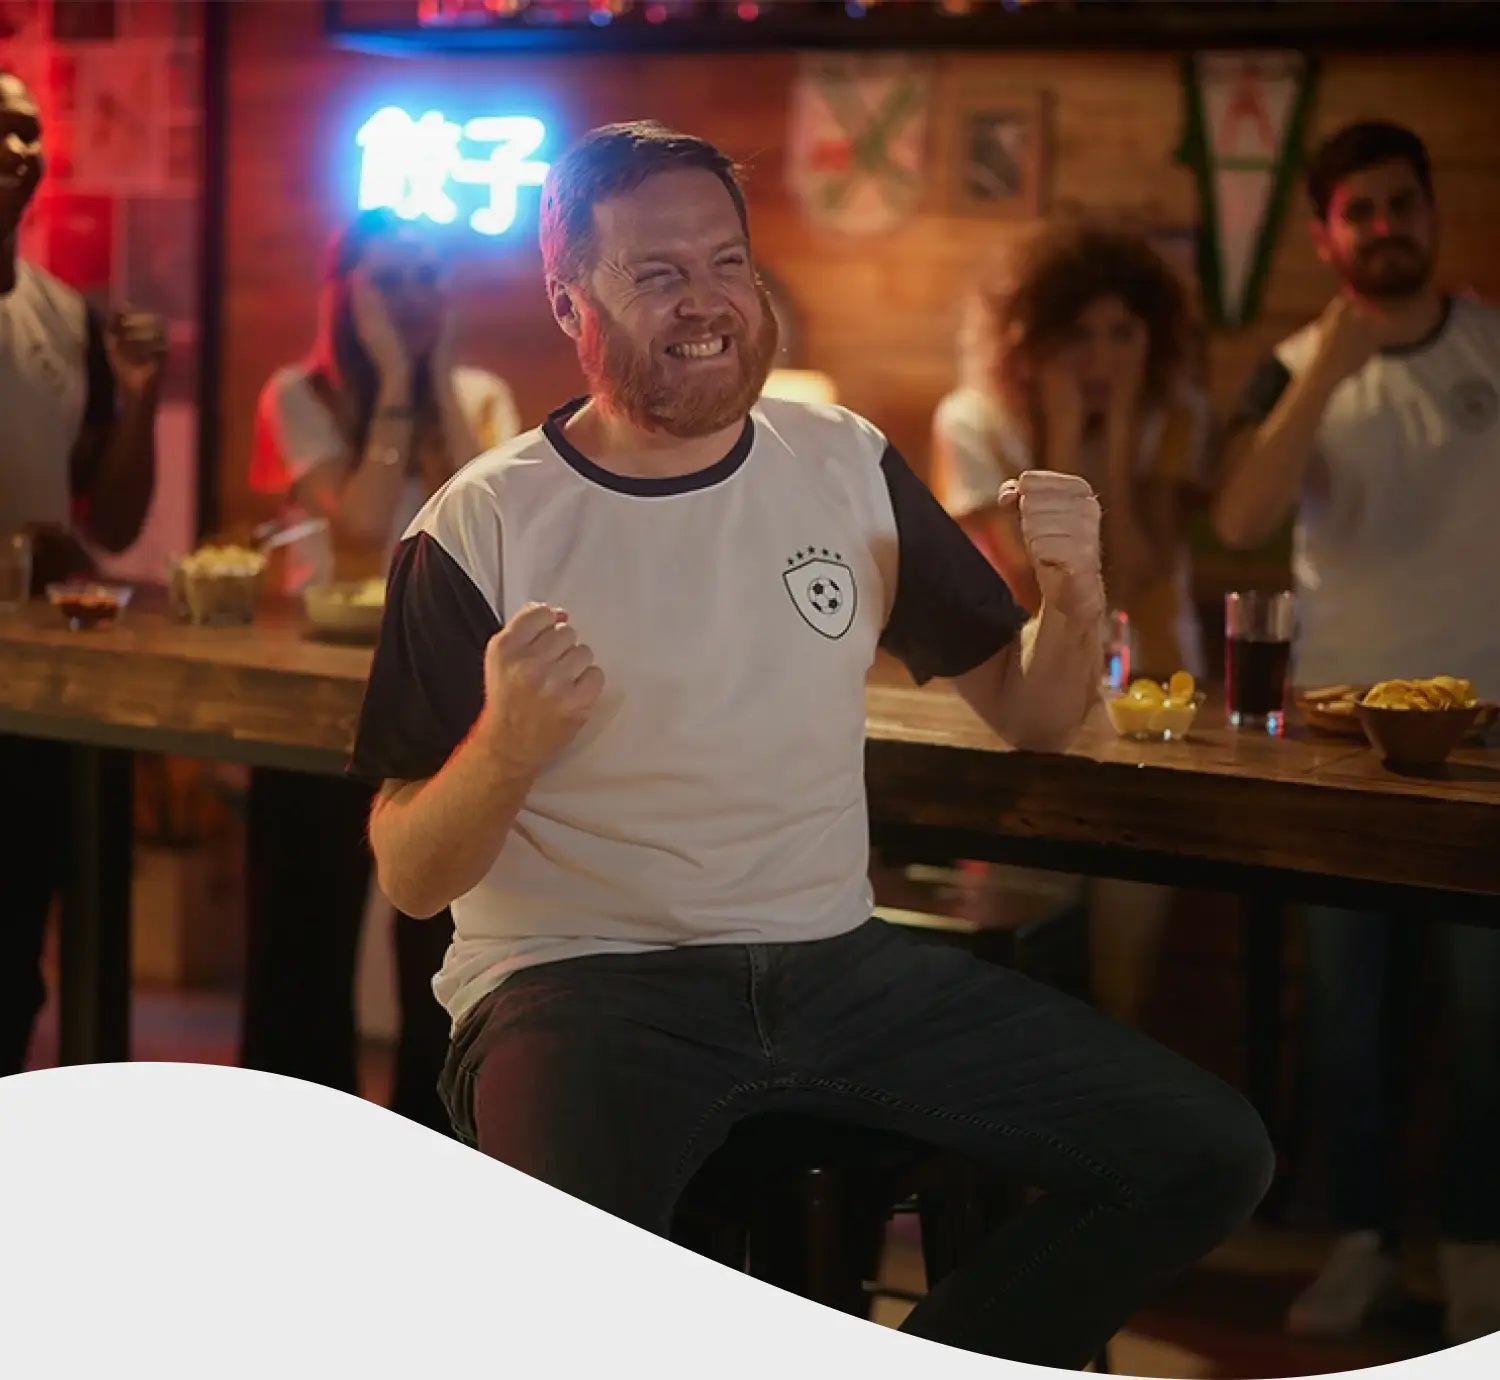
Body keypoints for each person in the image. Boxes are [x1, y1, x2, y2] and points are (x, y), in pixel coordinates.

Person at [348, 121, 1272, 1370]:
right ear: (570, 302)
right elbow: (410, 873)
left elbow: (1039, 713)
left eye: (727, 263)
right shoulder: (481, 523)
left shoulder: (843, 463)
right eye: (658, 273)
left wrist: (1077, 585)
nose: (707, 302)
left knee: (1207, 1156)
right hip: (581, 985)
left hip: (835, 964)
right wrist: (507, 747)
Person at [1214, 120, 1500, 1345]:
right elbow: (1237, 518)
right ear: (1328, 234)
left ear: (1430, 212)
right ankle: (1363, 1241)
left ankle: (1480, 1245)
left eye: (1401, 204)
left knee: (1489, 1011)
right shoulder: (1292, 366)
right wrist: (1327, 368)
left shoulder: (1493, 340)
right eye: (1359, 213)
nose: (1385, 228)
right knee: (1347, 1011)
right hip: (1335, 737)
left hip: (1487, 738)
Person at [244, 208, 518, 1130]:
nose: (414, 295)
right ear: (347, 294)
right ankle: (293, 1123)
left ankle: (430, 1131)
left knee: (437, 938)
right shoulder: (299, 393)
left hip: (443, 698)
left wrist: (433, 376)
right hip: (321, 693)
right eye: (390, 279)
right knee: (301, 929)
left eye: (428, 276)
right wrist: (396, 379)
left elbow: (492, 531)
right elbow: (362, 523)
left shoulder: (478, 393)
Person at [931, 223, 1215, 1030]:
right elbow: (1032, 578)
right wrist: (1058, 438)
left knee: (1124, 983)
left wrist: (1118, 434)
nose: (1100, 359)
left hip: (1149, 716)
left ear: (1152, 338)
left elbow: (1141, 571)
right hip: (1025, 703)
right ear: (1035, 338)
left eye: (1122, 334)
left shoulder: (1176, 415)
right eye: (1077, 334)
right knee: (1012, 979)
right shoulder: (973, 420)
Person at [1, 67, 167, 1075]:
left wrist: (144, 395)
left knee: (16, 958)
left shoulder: (65, 314)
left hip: (30, 698)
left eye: (26, 131)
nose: (14, 149)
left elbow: (111, 519)